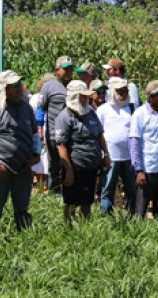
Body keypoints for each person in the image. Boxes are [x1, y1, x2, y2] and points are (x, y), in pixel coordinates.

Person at [0, 71, 41, 245]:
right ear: (5, 89)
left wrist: (36, 154)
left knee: (22, 208)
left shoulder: (27, 108)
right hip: (1, 169)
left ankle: (25, 242)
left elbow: (34, 133)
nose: (19, 88)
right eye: (14, 86)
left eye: (19, 84)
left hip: (24, 167)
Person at [54, 80, 111, 223]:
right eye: (83, 97)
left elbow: (99, 135)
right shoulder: (64, 117)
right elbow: (61, 146)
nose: (86, 99)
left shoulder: (91, 112)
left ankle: (85, 230)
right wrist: (69, 171)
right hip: (74, 166)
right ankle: (69, 230)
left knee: (87, 202)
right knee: (71, 202)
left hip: (91, 167)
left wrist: (106, 154)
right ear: (74, 97)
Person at [129, 79, 158, 223]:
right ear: (152, 96)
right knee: (141, 210)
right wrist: (139, 170)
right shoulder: (140, 114)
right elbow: (134, 143)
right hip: (147, 170)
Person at [97, 77, 137, 214]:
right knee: (108, 188)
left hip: (129, 157)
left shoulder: (131, 108)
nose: (122, 94)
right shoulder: (103, 110)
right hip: (111, 157)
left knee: (132, 189)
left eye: (125, 91)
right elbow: (98, 134)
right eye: (119, 91)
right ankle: (106, 218)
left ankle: (133, 217)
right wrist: (103, 155)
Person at [39, 55, 75, 192]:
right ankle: (54, 193)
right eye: (66, 69)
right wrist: (40, 130)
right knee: (55, 165)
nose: (69, 72)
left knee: (70, 166)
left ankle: (69, 195)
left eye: (71, 69)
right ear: (57, 70)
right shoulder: (49, 87)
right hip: (54, 135)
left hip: (72, 135)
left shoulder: (75, 86)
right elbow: (40, 110)